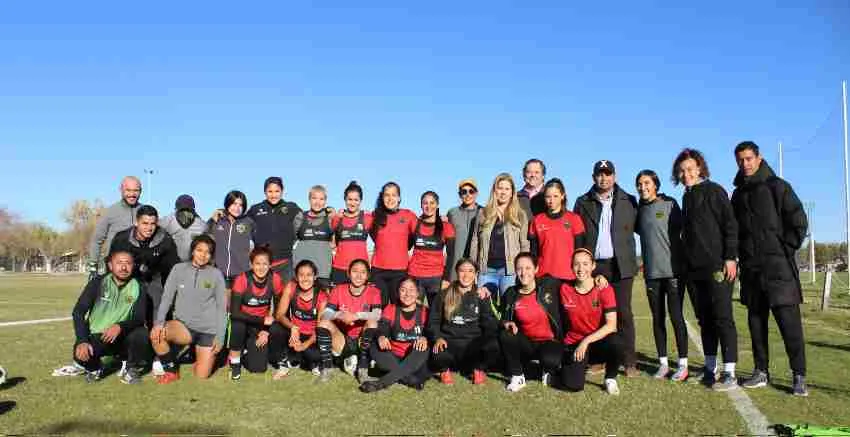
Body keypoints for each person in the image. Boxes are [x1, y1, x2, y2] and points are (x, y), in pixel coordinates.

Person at [731, 141, 809, 396]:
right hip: (752, 272)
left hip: (779, 271)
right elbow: (734, 231)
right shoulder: (737, 194)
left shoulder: (778, 187)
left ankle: (799, 376)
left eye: (749, 158)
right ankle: (761, 371)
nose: (745, 164)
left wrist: (782, 249)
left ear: (759, 158)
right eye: (741, 160)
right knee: (756, 324)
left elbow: (798, 221)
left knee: (790, 326)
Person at [673, 148, 739, 391]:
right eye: (681, 171)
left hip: (717, 266)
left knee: (723, 317)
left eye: (689, 169)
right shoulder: (687, 197)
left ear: (699, 168)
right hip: (694, 270)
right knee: (705, 319)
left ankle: (730, 372)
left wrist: (730, 257)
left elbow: (730, 225)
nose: (685, 174)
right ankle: (710, 368)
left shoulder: (715, 191)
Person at [573, 159, 640, 377]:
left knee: (623, 313)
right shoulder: (582, 202)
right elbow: (578, 236)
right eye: (600, 174)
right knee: (596, 314)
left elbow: (643, 227)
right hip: (595, 265)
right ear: (594, 177)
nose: (604, 178)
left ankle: (629, 361)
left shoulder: (629, 200)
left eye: (608, 174)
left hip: (621, 265)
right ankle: (599, 359)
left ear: (615, 176)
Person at [635, 169, 689, 381]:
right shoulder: (639, 210)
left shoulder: (670, 204)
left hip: (673, 273)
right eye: (639, 184)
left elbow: (683, 232)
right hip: (651, 274)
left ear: (655, 184)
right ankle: (663, 364)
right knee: (657, 319)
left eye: (647, 183)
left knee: (676, 317)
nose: (643, 187)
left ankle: (683, 365)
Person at [150, 235, 227, 383]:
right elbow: (166, 298)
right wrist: (159, 323)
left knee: (202, 375)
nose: (203, 255)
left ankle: (200, 354)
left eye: (208, 252)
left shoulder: (216, 274)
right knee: (157, 334)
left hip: (207, 330)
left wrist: (220, 337)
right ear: (192, 251)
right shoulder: (178, 269)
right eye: (199, 250)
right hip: (183, 327)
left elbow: (222, 308)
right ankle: (171, 371)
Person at [72, 249, 150, 384]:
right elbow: (78, 312)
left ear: (133, 266)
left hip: (124, 336)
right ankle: (96, 368)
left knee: (141, 334)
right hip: (99, 336)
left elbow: (139, 317)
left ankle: (131, 369)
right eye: (119, 263)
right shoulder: (98, 283)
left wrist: (120, 326)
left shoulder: (139, 286)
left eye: (128, 263)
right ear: (110, 265)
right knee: (80, 354)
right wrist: (82, 340)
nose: (124, 267)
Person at [560, 249, 622, 395]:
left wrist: (586, 341)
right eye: (576, 264)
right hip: (575, 343)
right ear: (571, 266)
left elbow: (611, 325)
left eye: (585, 264)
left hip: (597, 342)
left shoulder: (603, 288)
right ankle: (569, 368)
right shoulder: (564, 288)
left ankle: (610, 378)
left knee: (617, 342)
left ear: (593, 266)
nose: (581, 269)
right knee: (573, 386)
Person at [428, 258, 499, 385]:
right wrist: (437, 337)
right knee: (437, 352)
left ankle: (478, 369)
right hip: (449, 343)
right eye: (462, 271)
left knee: (493, 346)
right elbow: (433, 321)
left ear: (476, 274)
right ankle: (444, 369)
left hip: (472, 345)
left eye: (470, 271)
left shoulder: (480, 295)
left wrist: (490, 336)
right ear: (456, 272)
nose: (466, 275)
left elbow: (489, 321)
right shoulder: (444, 294)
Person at [499, 252, 563, 392]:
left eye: (528, 268)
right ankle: (518, 376)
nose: (523, 272)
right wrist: (506, 323)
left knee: (551, 360)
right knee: (506, 334)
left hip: (549, 341)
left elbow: (574, 284)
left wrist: (597, 279)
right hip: (526, 342)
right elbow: (502, 318)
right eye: (519, 268)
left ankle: (548, 369)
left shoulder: (549, 285)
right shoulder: (511, 293)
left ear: (536, 269)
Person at [109, 205, 180, 324]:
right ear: (136, 222)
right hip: (129, 281)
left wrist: (171, 295)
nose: (149, 228)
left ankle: (158, 333)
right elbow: (111, 266)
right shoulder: (121, 239)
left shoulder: (165, 240)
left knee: (159, 309)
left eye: (152, 224)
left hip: (155, 281)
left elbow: (172, 271)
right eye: (145, 223)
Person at [315, 259, 382, 383]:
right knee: (323, 323)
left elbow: (377, 314)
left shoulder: (374, 291)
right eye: (355, 271)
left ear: (368, 275)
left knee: (372, 322)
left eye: (363, 272)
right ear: (348, 273)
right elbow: (326, 314)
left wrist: (356, 316)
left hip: (362, 340)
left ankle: (363, 370)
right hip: (343, 340)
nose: (358, 275)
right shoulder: (338, 289)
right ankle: (327, 369)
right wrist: (340, 315)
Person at [359, 278, 430, 393]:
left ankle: (381, 383)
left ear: (418, 293)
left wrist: (425, 337)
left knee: (423, 348)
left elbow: (431, 332)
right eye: (403, 290)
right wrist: (381, 336)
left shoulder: (425, 312)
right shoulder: (391, 309)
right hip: (392, 357)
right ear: (398, 292)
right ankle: (410, 379)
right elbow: (382, 328)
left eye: (411, 290)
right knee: (375, 344)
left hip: (414, 359)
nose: (407, 294)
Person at [470, 173, 530, 306]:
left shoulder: (520, 215)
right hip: (486, 270)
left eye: (507, 189)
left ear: (512, 192)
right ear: (494, 191)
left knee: (508, 309)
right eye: (500, 188)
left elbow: (525, 245)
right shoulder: (483, 213)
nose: (503, 192)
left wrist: (524, 269)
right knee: (483, 308)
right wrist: (472, 268)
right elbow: (475, 242)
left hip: (510, 271)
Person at [227, 245, 285, 381]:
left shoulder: (275, 279)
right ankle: (235, 362)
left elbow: (278, 311)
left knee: (258, 368)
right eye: (257, 263)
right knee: (237, 324)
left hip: (259, 327)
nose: (261, 267)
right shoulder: (242, 279)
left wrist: (266, 330)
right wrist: (262, 321)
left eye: (265, 264)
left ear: (270, 265)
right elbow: (234, 312)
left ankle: (248, 351)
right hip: (243, 323)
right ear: (251, 264)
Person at [270, 259, 327, 380]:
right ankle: (283, 364)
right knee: (275, 328)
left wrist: (304, 345)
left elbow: (320, 329)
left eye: (309, 275)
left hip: (312, 337)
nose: (305, 279)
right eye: (301, 275)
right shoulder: (291, 287)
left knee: (314, 355)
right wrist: (293, 327)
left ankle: (307, 361)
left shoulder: (322, 296)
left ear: (315, 277)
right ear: (296, 277)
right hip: (294, 334)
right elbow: (279, 315)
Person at [246, 176, 302, 282]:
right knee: (262, 296)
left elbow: (306, 220)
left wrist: (329, 213)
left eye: (277, 191)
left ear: (282, 191)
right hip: (263, 264)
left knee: (285, 296)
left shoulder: (291, 207)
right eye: (270, 191)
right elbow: (243, 224)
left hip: (285, 263)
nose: (273, 195)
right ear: (264, 192)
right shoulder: (256, 209)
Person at [369, 182, 417, 305]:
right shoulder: (374, 216)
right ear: (382, 197)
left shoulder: (408, 215)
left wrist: (440, 221)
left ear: (399, 198)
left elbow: (419, 235)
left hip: (400, 271)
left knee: (398, 308)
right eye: (387, 195)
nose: (390, 199)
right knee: (379, 308)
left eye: (394, 195)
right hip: (378, 271)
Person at [528, 178, 586, 281]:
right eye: (548, 197)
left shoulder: (574, 219)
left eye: (555, 196)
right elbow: (533, 253)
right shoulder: (537, 221)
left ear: (562, 196)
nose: (551, 200)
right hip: (543, 276)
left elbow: (580, 252)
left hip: (569, 276)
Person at [87, 176, 142, 275]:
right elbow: (96, 240)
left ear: (140, 191)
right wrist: (93, 267)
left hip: (138, 269)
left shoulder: (144, 212)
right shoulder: (110, 212)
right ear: (121, 190)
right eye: (128, 190)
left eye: (136, 191)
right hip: (114, 269)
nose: (132, 194)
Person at [408, 191, 456, 305]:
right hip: (415, 276)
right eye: (425, 203)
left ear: (437, 205)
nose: (428, 206)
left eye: (432, 203)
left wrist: (446, 279)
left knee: (435, 315)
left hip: (436, 278)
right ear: (421, 205)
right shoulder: (415, 224)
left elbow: (451, 256)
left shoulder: (446, 227)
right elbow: (406, 246)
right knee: (415, 314)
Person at [207, 190, 255, 288]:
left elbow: (260, 241)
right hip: (219, 274)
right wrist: (212, 220)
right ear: (227, 204)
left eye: (240, 205)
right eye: (234, 204)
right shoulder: (218, 220)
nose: (237, 208)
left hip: (241, 274)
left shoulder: (248, 222)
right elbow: (204, 238)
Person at [330, 181, 373, 286]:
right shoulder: (338, 218)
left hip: (360, 270)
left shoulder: (368, 218)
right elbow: (331, 242)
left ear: (360, 201)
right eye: (349, 199)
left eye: (356, 200)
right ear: (345, 199)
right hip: (340, 268)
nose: (352, 203)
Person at [293, 185, 334, 289]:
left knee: (322, 303)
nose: (317, 202)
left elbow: (335, 241)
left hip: (323, 272)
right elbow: (291, 239)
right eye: (314, 198)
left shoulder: (330, 218)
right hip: (302, 272)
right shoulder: (300, 217)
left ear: (325, 201)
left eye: (321, 199)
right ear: (309, 199)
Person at [446, 178, 483, 282]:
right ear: (459, 194)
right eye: (464, 192)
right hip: (455, 264)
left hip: (476, 263)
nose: (468, 194)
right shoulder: (452, 213)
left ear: (476, 193)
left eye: (471, 191)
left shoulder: (484, 212)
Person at [159, 194, 206, 262]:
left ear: (193, 210)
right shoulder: (167, 221)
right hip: (172, 263)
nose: (185, 214)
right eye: (182, 210)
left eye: (188, 210)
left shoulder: (201, 225)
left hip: (191, 264)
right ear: (176, 209)